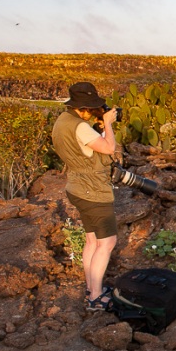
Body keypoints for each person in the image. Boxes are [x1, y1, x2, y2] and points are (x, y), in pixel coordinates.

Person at [51, 82, 118, 311]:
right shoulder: (80, 127)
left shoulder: (63, 121)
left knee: (91, 240)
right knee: (107, 242)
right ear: (85, 107)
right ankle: (96, 297)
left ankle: (91, 289)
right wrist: (107, 124)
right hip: (93, 191)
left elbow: (84, 148)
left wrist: (99, 125)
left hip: (76, 187)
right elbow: (109, 148)